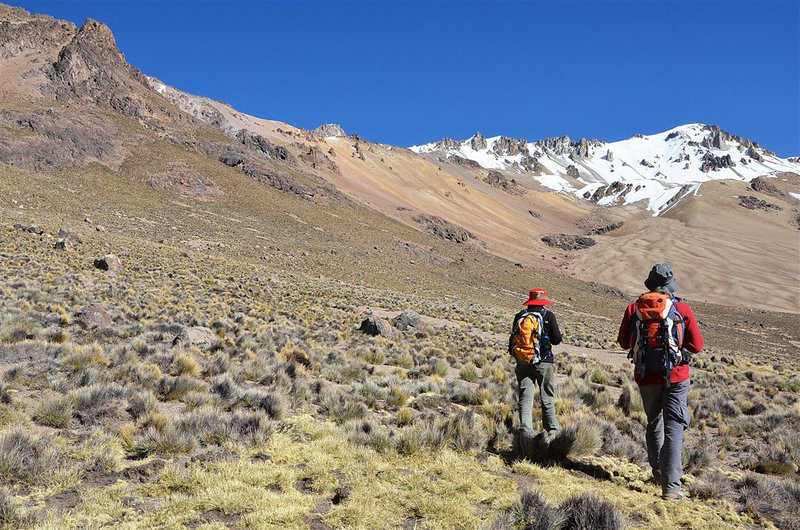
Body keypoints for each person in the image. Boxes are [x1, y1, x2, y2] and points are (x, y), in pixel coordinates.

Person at [617, 264, 704, 502]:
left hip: (646, 376)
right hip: (676, 377)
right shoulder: (682, 309)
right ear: (669, 286)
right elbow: (697, 346)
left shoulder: (634, 308)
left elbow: (623, 343)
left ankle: (657, 474)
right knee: (674, 428)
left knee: (654, 422)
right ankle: (671, 489)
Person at [509, 288, 562, 441]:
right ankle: (552, 431)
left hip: (523, 362)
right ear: (543, 301)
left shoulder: (520, 316)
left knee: (525, 397)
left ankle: (525, 431)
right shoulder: (548, 316)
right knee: (547, 397)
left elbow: (512, 340)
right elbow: (556, 340)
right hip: (544, 362)